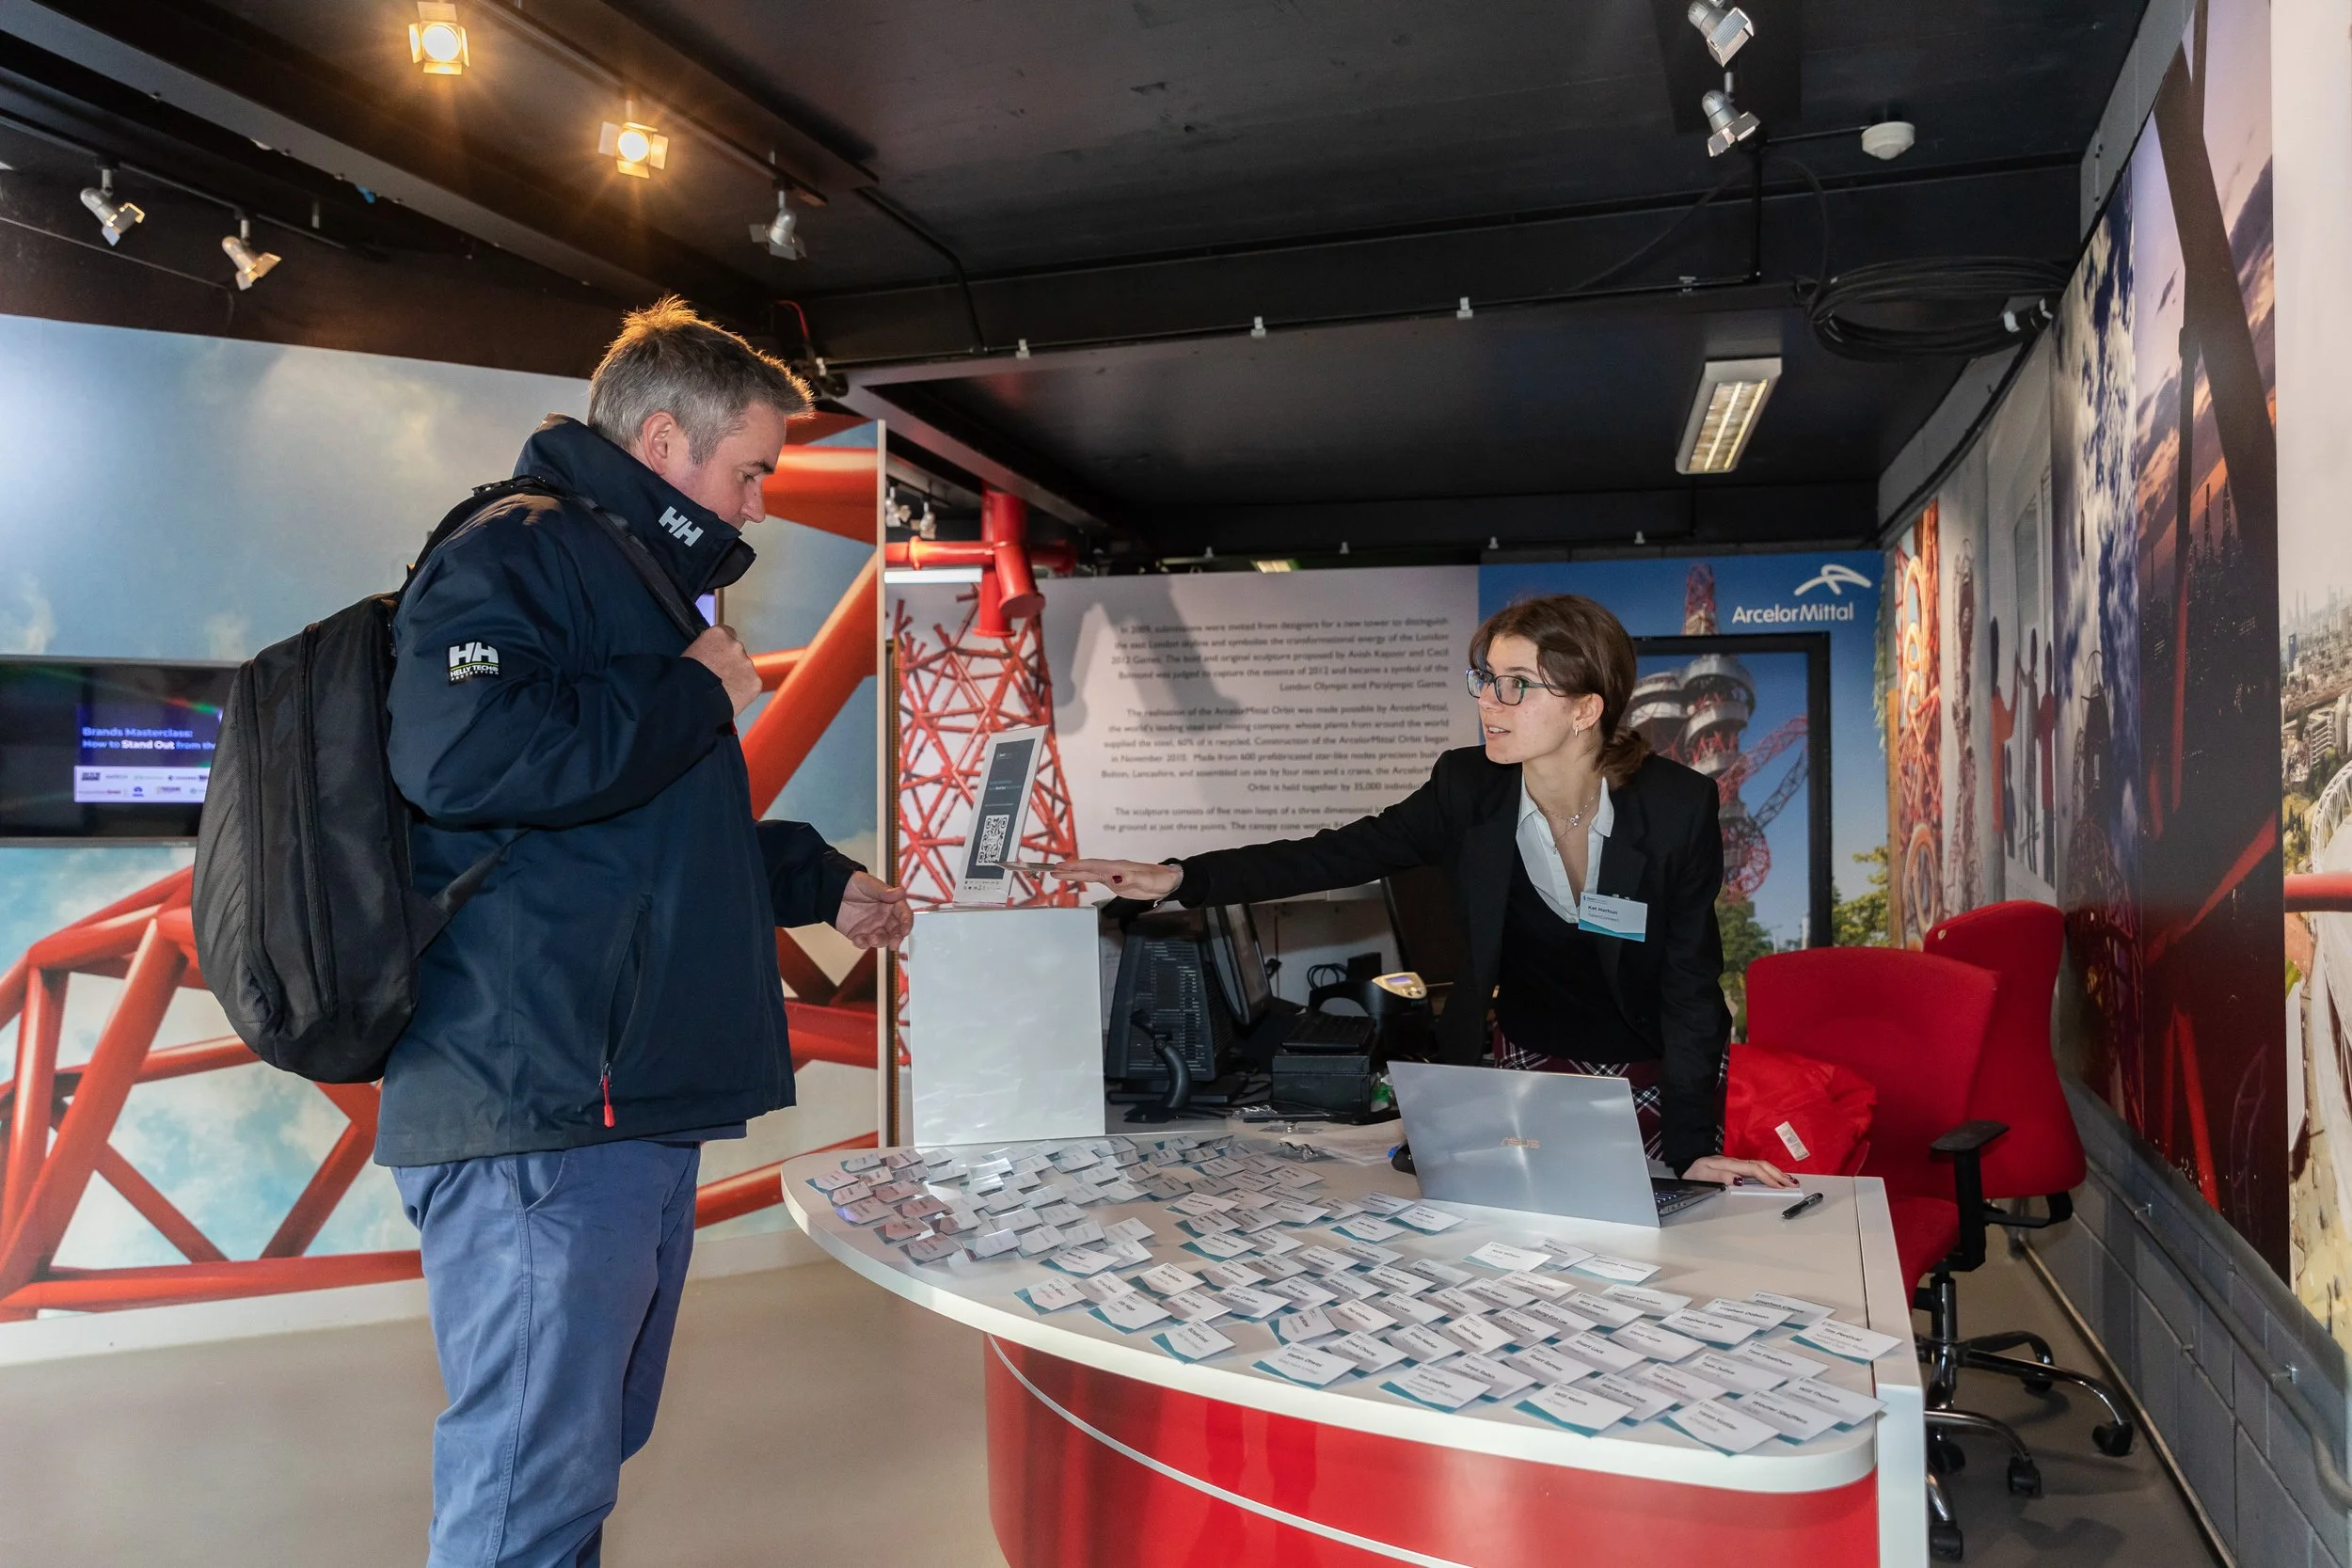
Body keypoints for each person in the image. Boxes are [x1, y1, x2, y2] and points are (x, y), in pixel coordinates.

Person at [380, 297, 912, 1568]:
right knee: (528, 1483)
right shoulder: (520, 549)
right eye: (750, 471)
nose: (759, 505)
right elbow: (458, 758)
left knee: (574, 1462)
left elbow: (636, 833)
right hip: (548, 1099)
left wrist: (813, 877)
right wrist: (686, 688)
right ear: (666, 441)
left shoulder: (629, 578)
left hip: (611, 1100)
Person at [1056, 593, 1792, 1187]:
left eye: (1516, 685)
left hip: (1648, 1069)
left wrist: (1694, 1146)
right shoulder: (1466, 788)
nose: (1489, 703)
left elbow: (1689, 984)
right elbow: (1336, 853)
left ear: (1585, 708)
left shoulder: (1675, 807)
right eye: (1485, 679)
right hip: (1527, 1060)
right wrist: (1183, 877)